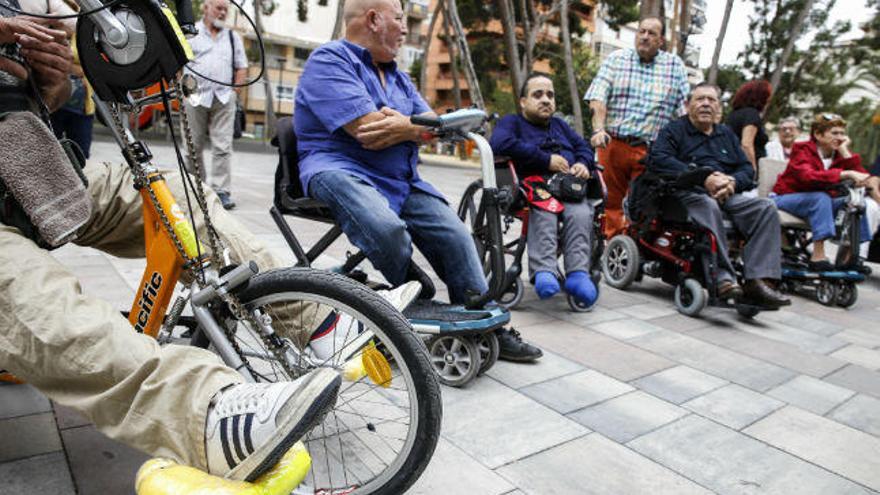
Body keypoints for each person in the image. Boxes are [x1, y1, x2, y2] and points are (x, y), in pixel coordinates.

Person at [0, 9, 339, 481]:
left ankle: (321, 323)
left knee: (178, 199)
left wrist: (50, 82)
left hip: (35, 175)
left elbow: (40, 105)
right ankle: (205, 414)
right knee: (28, 293)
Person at [294, 0, 542, 361]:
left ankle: (487, 325)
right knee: (387, 229)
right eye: (400, 19)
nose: (406, 28)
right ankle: (412, 288)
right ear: (374, 19)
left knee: (457, 236)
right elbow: (370, 132)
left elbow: (434, 128)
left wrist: (409, 127)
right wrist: (415, 128)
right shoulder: (329, 61)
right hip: (340, 169)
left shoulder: (396, 75)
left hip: (399, 178)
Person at [649, 82, 791, 307]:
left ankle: (759, 281)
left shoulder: (725, 134)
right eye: (700, 99)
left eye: (711, 100)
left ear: (719, 108)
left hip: (726, 194)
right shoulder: (674, 130)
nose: (706, 104)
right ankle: (724, 278)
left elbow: (747, 170)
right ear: (688, 105)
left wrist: (732, 182)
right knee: (707, 205)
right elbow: (659, 160)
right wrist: (703, 178)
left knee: (765, 208)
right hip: (686, 194)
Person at [490, 73, 598, 306]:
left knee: (581, 213)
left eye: (550, 95)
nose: (546, 100)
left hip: (567, 186)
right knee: (546, 211)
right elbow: (499, 143)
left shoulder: (560, 125)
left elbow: (584, 147)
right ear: (523, 101)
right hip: (532, 187)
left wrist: (583, 163)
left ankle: (578, 275)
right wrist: (545, 160)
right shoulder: (512, 122)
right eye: (537, 95)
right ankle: (544, 272)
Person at [583, 16, 689, 239]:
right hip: (613, 143)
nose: (645, 37)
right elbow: (597, 96)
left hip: (650, 151)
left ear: (661, 41)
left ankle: (636, 248)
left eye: (651, 33)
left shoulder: (674, 66)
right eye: (641, 31)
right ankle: (612, 248)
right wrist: (598, 129)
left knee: (643, 204)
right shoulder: (616, 59)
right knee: (609, 201)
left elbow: (683, 112)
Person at [771, 113, 880, 269]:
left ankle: (850, 257)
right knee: (821, 198)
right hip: (786, 199)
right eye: (834, 133)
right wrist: (844, 174)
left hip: (819, 202)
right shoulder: (802, 149)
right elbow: (807, 177)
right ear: (818, 134)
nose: (840, 137)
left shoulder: (837, 154)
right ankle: (818, 255)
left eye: (842, 133)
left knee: (854, 203)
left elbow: (862, 178)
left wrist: (844, 151)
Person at [182, 0, 247, 210]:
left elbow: (242, 67)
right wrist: (180, 90)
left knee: (223, 145)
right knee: (192, 143)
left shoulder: (232, 37)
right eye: (219, 8)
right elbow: (179, 63)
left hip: (223, 97)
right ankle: (195, 186)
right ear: (206, 7)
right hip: (194, 96)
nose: (222, 13)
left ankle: (221, 190)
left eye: (225, 10)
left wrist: (235, 91)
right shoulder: (191, 33)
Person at [725, 80, 772, 173]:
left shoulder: (733, 115)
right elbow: (746, 144)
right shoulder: (752, 114)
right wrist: (752, 170)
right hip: (745, 168)